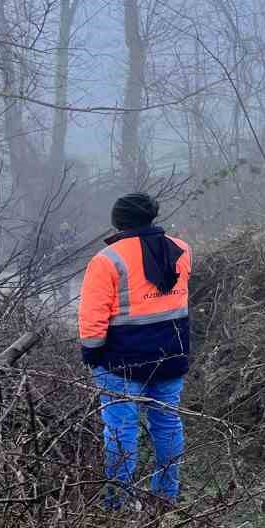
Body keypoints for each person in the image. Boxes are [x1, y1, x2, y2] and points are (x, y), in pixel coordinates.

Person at [77, 192, 192, 509]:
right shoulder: (181, 250)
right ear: (151, 217)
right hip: (171, 355)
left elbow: (92, 317)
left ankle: (118, 502)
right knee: (167, 424)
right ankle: (166, 495)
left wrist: (92, 354)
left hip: (121, 362)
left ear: (118, 221)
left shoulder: (108, 259)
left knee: (120, 429)